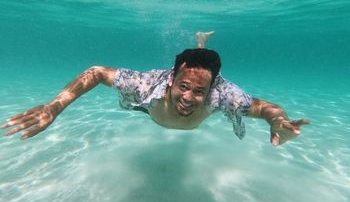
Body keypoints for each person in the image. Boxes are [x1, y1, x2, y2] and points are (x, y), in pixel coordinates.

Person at [1, 31, 310, 145]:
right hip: (150, 105)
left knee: (198, 63)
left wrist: (276, 121)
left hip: (195, 81)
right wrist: (54, 107)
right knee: (192, 62)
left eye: (199, 91)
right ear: (171, 80)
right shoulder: (147, 84)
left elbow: (265, 107)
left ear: (212, 87)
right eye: (183, 86)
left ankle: (200, 42)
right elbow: (95, 72)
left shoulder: (223, 94)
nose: (188, 98)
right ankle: (198, 44)